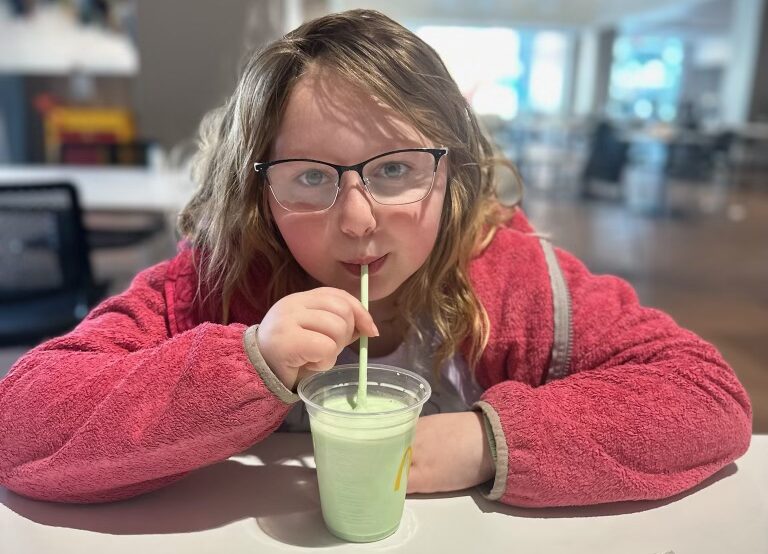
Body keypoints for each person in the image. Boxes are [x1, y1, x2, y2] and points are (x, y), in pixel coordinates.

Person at [0, 10, 751, 507]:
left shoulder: (515, 276)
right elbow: (21, 423)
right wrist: (247, 362)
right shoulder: (213, 284)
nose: (358, 221)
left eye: (394, 170)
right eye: (309, 179)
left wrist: (488, 442)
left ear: (450, 170)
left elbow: (707, 397)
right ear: (258, 193)